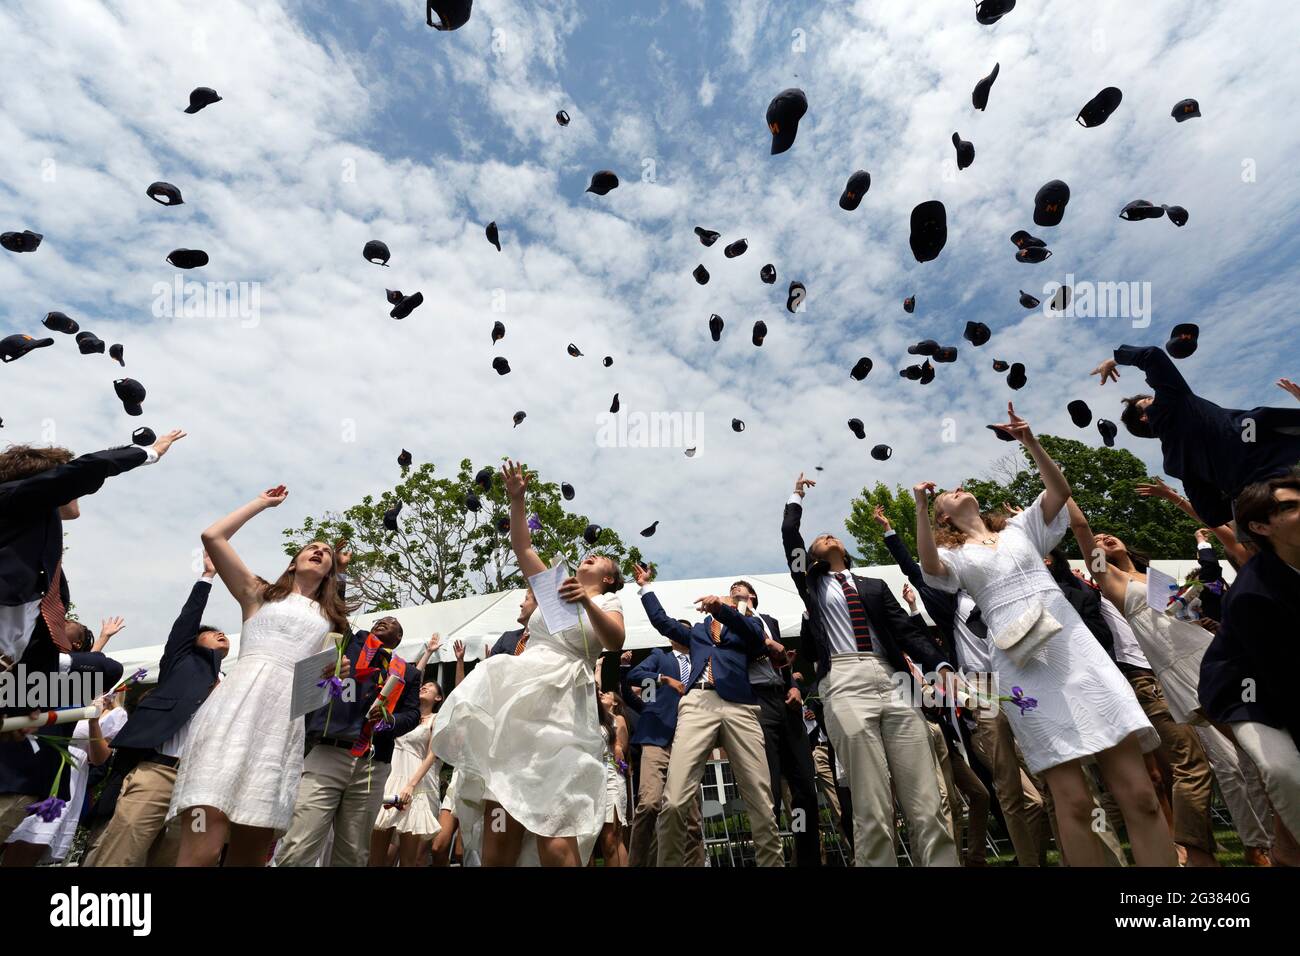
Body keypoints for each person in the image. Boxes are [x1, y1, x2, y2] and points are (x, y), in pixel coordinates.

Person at [915, 402, 1175, 867]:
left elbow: (1060, 490)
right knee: (1073, 802)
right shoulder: (954, 556)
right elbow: (929, 564)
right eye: (945, 497)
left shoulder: (1020, 529)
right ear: (944, 520)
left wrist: (1030, 441)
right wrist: (919, 505)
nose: (957, 489)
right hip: (1023, 667)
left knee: (1140, 793)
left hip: (1075, 651)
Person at [430, 460, 626, 867]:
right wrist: (517, 500)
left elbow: (614, 639)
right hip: (517, 705)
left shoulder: (607, 601)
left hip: (563, 714)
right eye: (585, 557)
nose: (587, 559)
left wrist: (586, 600)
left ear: (609, 578)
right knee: (499, 827)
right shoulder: (552, 588)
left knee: (556, 836)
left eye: (597, 560)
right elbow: (523, 547)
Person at [1, 434, 182, 840]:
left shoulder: (47, 565)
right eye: (62, 478)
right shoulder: (13, 498)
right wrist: (150, 452)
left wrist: (19, 704)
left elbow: (41, 640)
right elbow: (87, 468)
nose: (82, 492)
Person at [168, 488, 351, 866]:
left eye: (327, 553)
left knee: (250, 856)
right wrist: (261, 504)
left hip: (280, 729)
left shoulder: (331, 623)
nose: (319, 551)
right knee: (202, 849)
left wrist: (328, 676)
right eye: (311, 548)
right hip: (231, 713)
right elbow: (212, 536)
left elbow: (308, 698)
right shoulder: (259, 595)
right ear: (293, 562)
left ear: (331, 572)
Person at [783, 472, 957, 867]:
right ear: (810, 556)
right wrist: (796, 495)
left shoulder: (875, 585)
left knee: (926, 800)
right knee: (871, 803)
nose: (828, 535)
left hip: (893, 680)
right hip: (844, 681)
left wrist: (940, 664)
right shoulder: (809, 584)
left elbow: (907, 633)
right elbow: (789, 532)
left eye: (833, 535)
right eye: (819, 538)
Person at [875, 504, 1047, 866]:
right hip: (981, 687)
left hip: (1020, 680)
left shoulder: (996, 589)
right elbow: (914, 569)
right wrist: (891, 533)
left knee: (1051, 781)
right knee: (1014, 789)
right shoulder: (948, 599)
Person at [1060, 510, 1218, 866]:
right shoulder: (1106, 579)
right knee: (1189, 767)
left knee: (1240, 759)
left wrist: (1202, 614)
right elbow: (1082, 529)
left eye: (1108, 535)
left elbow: (1184, 613)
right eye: (1097, 541)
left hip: (1204, 663)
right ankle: (1196, 857)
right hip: (1152, 678)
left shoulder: (1151, 577)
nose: (1103, 539)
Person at [84, 556, 230, 867]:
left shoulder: (233, 682)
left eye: (224, 633)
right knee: (121, 854)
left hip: (198, 788)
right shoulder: (182, 662)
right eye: (212, 632)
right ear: (194, 643)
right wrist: (207, 576)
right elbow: (187, 621)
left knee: (174, 858)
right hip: (158, 773)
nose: (222, 635)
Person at [634, 564, 784, 867]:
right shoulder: (697, 633)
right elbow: (662, 622)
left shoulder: (746, 627)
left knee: (761, 802)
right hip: (696, 703)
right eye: (723, 599)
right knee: (674, 801)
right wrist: (644, 587)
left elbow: (755, 635)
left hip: (740, 706)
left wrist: (728, 609)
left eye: (731, 599)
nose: (727, 600)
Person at [274, 597, 426, 868]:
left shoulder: (408, 673)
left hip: (373, 763)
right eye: (379, 619)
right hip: (328, 751)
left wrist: (388, 721)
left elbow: (413, 714)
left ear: (400, 637)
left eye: (391, 622)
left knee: (354, 852)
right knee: (300, 843)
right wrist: (341, 573)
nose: (383, 621)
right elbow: (336, 611)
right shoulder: (351, 645)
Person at [1199, 468, 1300, 841]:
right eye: (1291, 507)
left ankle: (1287, 852)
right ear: (1261, 527)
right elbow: (1284, 684)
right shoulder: (1252, 595)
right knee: (1284, 771)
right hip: (1246, 690)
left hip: (1285, 678)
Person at [1092, 346, 1300, 527]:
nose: (1152, 396)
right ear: (1145, 417)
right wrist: (1113, 360)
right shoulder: (1173, 403)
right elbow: (1150, 354)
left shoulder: (1174, 462)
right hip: (1288, 470)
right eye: (1147, 399)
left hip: (1266, 508)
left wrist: (1243, 492)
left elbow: (1212, 515)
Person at [731, 579, 821, 867]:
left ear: (753, 595)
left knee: (804, 787)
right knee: (768, 788)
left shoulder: (770, 620)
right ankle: (772, 859)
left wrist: (792, 685)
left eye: (739, 587)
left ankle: (805, 858)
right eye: (730, 590)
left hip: (784, 700)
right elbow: (743, 656)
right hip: (755, 703)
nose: (734, 590)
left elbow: (782, 662)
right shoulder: (726, 625)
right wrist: (768, 644)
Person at [3, 688, 126, 865]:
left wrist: (94, 722)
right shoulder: (60, 693)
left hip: (64, 781)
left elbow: (99, 759)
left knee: (26, 849)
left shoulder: (115, 713)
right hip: (27, 769)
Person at [625, 623, 703, 866]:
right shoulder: (660, 656)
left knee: (691, 818)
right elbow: (633, 676)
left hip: (690, 741)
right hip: (657, 736)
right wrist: (663, 679)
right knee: (649, 804)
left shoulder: (704, 660)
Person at [370, 677, 445, 867]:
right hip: (390, 774)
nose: (424, 687)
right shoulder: (402, 715)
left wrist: (411, 785)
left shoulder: (436, 719)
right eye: (422, 685)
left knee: (409, 859)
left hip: (414, 779)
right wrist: (426, 653)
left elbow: (432, 755)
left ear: (438, 698)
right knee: (376, 856)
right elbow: (409, 675)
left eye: (430, 687)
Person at [594, 689, 629, 867]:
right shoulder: (591, 716)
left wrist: (617, 746)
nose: (601, 694)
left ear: (615, 703)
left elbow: (621, 750)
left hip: (611, 776)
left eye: (606, 694)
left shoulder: (616, 719)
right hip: (592, 778)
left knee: (612, 839)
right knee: (602, 840)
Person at [487, 590, 536, 657]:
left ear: (539, 605)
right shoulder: (506, 637)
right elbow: (489, 663)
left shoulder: (547, 640)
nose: (521, 604)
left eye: (526, 599)